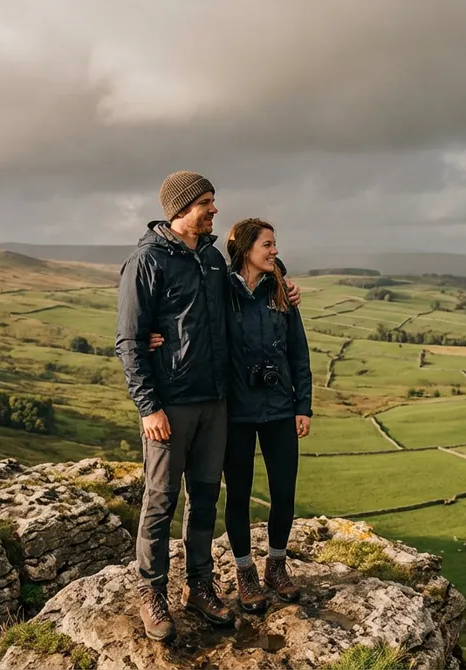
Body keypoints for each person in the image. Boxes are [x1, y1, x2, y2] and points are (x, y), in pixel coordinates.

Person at [115, 171, 302, 642]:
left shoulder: (214, 260)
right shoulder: (146, 261)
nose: (215, 210)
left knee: (205, 498)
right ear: (182, 208)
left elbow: (244, 296)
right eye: (207, 203)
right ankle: (152, 593)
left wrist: (284, 283)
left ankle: (200, 585)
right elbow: (130, 340)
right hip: (170, 405)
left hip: (216, 403)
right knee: (160, 500)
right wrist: (148, 406)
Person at [149, 218, 312, 614]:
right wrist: (154, 332)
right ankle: (245, 573)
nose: (275, 251)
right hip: (235, 411)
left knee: (284, 492)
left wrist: (302, 405)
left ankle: (276, 565)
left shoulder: (281, 292)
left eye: (275, 245)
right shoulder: (221, 288)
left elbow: (298, 352)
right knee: (237, 496)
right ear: (245, 249)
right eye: (267, 244)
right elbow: (190, 316)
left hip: (278, 409)